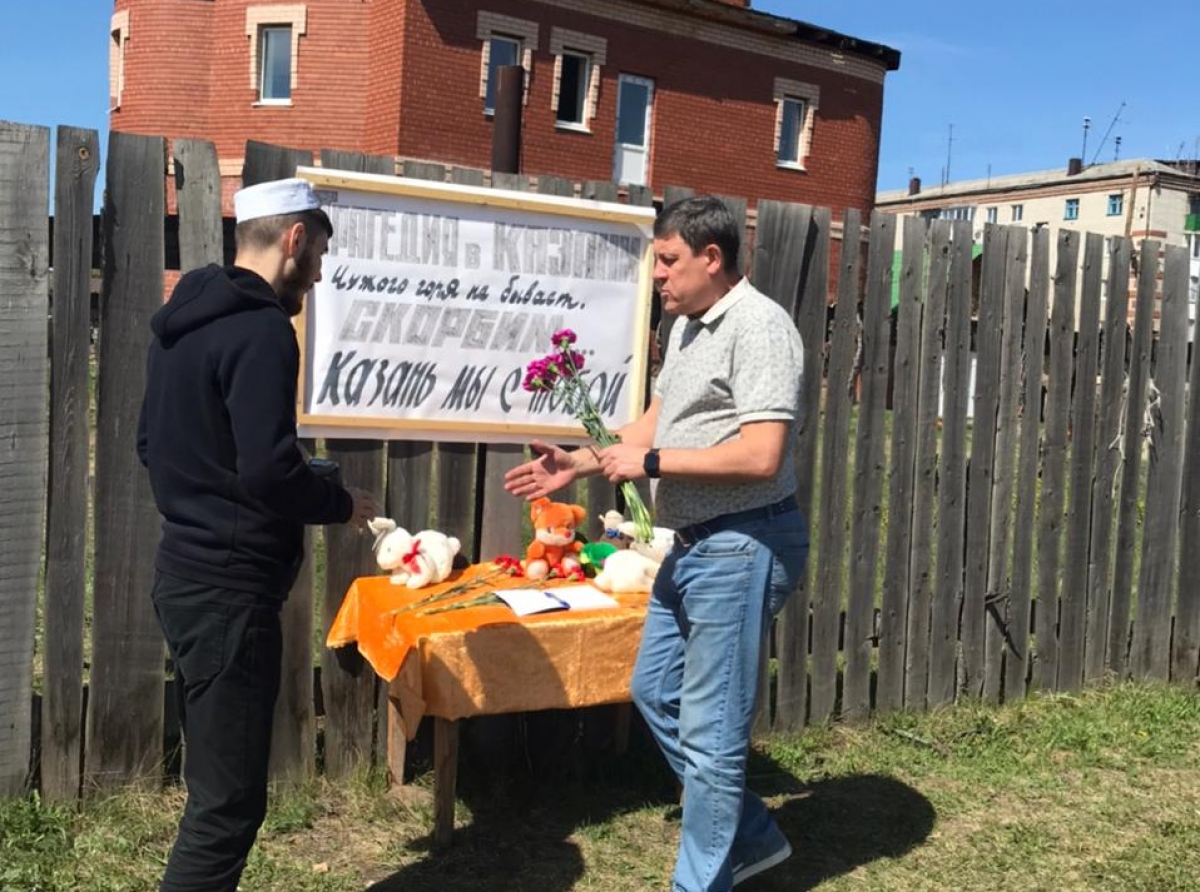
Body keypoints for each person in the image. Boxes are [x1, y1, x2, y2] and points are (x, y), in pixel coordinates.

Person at [505, 196, 808, 892]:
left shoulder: (760, 327)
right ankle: (754, 835)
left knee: (713, 733)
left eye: (669, 261)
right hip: (696, 544)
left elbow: (762, 454)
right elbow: (652, 422)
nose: (659, 276)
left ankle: (698, 882)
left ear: (712, 258)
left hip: (746, 541)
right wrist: (583, 461)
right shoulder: (688, 330)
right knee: (653, 690)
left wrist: (650, 465)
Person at [137, 177, 377, 892]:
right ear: (295, 240)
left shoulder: (179, 322)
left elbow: (152, 443)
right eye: (321, 255)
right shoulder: (264, 329)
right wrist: (338, 501)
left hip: (183, 576)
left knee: (219, 789)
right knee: (228, 807)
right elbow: (271, 472)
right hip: (230, 597)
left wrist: (213, 494)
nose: (322, 275)